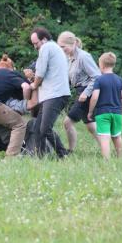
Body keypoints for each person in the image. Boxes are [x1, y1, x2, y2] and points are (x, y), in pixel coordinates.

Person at [29, 27, 71, 159]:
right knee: (38, 129)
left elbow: (40, 71)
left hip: (55, 94)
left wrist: (34, 84)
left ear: (44, 39)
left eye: (36, 43)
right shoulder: (56, 49)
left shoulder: (46, 48)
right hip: (53, 94)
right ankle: (40, 158)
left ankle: (63, 154)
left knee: (45, 129)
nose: (35, 46)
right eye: (33, 44)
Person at [57, 31, 101, 151]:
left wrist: (86, 93)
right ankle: (105, 147)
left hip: (87, 93)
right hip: (80, 92)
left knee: (67, 122)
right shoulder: (69, 58)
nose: (61, 49)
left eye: (63, 47)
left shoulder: (83, 57)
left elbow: (97, 77)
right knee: (90, 125)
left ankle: (70, 150)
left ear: (72, 44)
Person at [88, 52, 122, 159]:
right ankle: (120, 158)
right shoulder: (119, 79)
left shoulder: (99, 79)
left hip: (102, 113)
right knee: (117, 136)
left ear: (102, 65)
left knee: (105, 137)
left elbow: (95, 97)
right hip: (117, 113)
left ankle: (107, 160)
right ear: (113, 65)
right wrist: (120, 107)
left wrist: (90, 111)